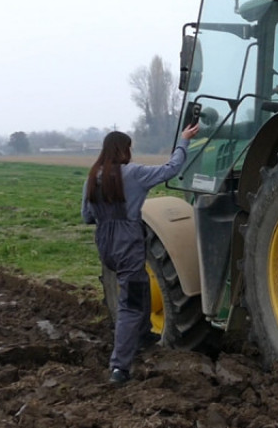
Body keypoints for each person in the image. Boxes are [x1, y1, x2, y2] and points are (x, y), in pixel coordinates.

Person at [81, 123, 199, 385]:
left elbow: (86, 216)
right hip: (127, 242)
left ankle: (144, 335)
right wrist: (184, 141)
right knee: (131, 304)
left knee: (141, 284)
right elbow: (171, 169)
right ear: (124, 150)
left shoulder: (93, 176)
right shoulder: (133, 174)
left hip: (105, 243)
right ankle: (119, 368)